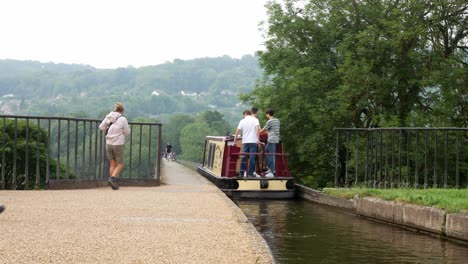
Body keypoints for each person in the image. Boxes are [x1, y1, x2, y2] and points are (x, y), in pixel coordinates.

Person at [99, 102, 130, 190]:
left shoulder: (108, 116)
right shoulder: (123, 119)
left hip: (108, 143)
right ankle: (112, 179)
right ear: (122, 111)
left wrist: (108, 129)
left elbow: (101, 127)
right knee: (120, 164)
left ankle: (113, 184)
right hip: (118, 143)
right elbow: (127, 132)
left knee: (112, 164)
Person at [233, 109, 260, 177]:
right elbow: (257, 130)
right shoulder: (255, 120)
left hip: (245, 142)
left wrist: (234, 141)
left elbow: (237, 132)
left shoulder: (242, 121)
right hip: (253, 141)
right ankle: (250, 173)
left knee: (244, 157)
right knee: (252, 157)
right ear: (250, 113)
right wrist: (258, 140)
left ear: (245, 114)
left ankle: (242, 173)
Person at [260, 108, 280, 178]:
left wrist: (256, 132)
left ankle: (272, 171)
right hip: (275, 139)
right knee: (264, 153)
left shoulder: (269, 121)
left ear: (268, 114)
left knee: (271, 155)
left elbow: (263, 130)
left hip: (271, 140)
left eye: (266, 114)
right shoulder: (277, 120)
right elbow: (272, 130)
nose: (266, 116)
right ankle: (271, 168)